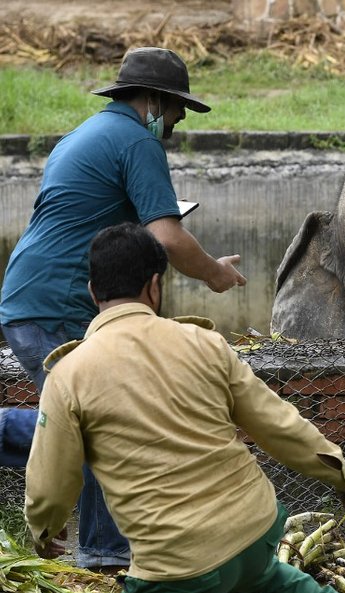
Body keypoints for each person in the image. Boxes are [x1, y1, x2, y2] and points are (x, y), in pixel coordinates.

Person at [25, 223, 345, 593]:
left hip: (176, 567)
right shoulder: (204, 343)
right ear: (154, 285)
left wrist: (45, 527)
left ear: (91, 292)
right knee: (268, 579)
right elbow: (277, 423)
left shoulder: (68, 375)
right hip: (254, 531)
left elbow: (51, 481)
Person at [0, 46, 246, 570]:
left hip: (32, 293)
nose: (177, 122)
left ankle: (105, 552)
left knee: (93, 420)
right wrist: (214, 273)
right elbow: (167, 235)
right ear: (155, 100)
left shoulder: (84, 134)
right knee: (95, 423)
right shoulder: (138, 140)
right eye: (177, 109)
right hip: (60, 300)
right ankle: (105, 555)